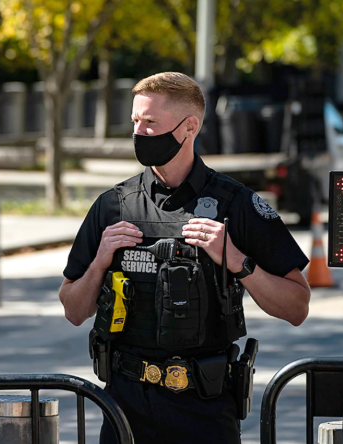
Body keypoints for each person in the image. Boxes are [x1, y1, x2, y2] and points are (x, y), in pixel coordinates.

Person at [59, 72, 311, 444]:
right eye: (135, 122)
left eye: (151, 123)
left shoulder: (237, 205)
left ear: (188, 127)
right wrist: (99, 262)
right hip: (125, 406)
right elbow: (73, 309)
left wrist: (238, 261)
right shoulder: (114, 205)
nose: (139, 133)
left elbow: (297, 307)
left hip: (203, 410)